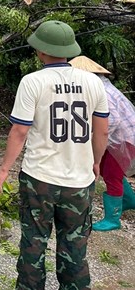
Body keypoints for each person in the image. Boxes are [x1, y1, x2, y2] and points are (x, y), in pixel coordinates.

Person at [0, 20, 109, 290]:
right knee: (75, 246)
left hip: (39, 179)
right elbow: (101, 131)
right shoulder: (93, 82)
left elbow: (19, 131)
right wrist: (96, 161)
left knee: (33, 242)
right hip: (79, 181)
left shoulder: (33, 82)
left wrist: (3, 169)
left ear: (41, 51)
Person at [69, 55, 135, 231]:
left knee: (112, 174)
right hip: (119, 137)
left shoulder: (102, 91)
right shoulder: (101, 85)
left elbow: (111, 122)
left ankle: (113, 219)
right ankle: (129, 200)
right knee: (107, 170)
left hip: (123, 139)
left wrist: (95, 137)